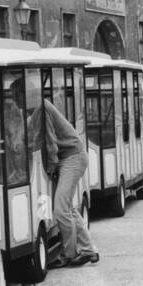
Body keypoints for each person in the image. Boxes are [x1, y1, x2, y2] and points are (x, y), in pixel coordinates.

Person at [39, 99, 99, 268]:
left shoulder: (41, 108)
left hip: (72, 157)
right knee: (68, 208)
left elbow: (50, 142)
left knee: (60, 209)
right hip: (71, 156)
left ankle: (70, 255)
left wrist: (50, 168)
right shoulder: (40, 106)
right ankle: (88, 251)